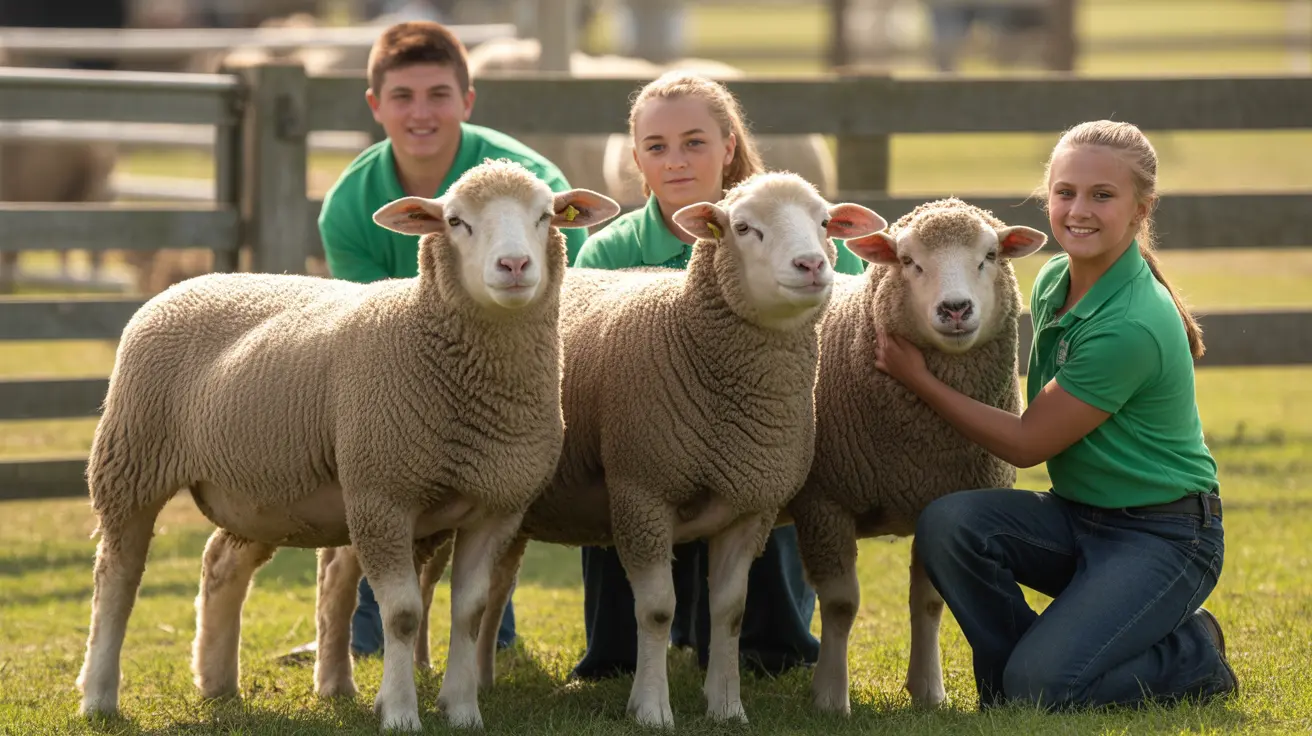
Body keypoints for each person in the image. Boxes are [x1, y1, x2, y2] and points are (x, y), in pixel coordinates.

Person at [874, 119, 1238, 709]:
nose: (1078, 210)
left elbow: (1025, 444)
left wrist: (916, 378)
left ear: (1141, 209)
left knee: (1044, 687)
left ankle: (1193, 651)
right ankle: (1014, 681)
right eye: (1065, 192)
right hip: (1078, 517)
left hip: (1164, 536)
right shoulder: (1051, 280)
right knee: (949, 525)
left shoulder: (1132, 323)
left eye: (1102, 195)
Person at [281, 19, 588, 662]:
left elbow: (559, 293)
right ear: (376, 106)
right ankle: (372, 633)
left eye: (439, 94)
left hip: (506, 371)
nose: (421, 113)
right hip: (397, 378)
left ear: (467, 100)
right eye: (403, 96)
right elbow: (363, 321)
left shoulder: (530, 183)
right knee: (383, 480)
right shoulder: (350, 204)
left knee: (492, 485)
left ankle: (479, 630)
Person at [568, 70, 867, 680]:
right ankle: (616, 652)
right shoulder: (610, 250)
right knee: (622, 478)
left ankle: (771, 644)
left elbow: (836, 302)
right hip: (649, 426)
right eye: (657, 147)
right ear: (636, 160)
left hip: (754, 420)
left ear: (729, 146)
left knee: (768, 474)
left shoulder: (787, 222)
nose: (676, 161)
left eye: (694, 142)